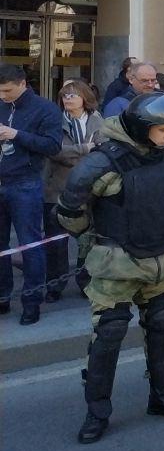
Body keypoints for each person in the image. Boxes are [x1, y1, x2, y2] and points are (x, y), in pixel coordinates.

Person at [56, 91, 164, 442]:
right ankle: (97, 413)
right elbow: (70, 211)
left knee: (162, 326)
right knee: (109, 335)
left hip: (161, 260)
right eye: (163, 130)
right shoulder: (103, 162)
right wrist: (95, 240)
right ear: (141, 126)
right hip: (116, 264)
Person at [0, 63, 62, 323]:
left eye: (8, 90)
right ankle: (2, 296)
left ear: (23, 83)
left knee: (31, 244)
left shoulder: (45, 108)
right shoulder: (1, 103)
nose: (3, 96)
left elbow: (52, 146)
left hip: (25, 182)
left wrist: (16, 134)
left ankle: (31, 301)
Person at [43, 80, 104, 301]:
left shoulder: (98, 121)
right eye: (65, 96)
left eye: (72, 95)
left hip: (89, 191)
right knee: (55, 243)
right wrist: (85, 150)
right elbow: (54, 151)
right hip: (56, 190)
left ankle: (85, 282)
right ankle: (54, 286)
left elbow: (102, 152)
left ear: (84, 99)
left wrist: (79, 153)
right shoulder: (54, 121)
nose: (68, 99)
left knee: (87, 242)